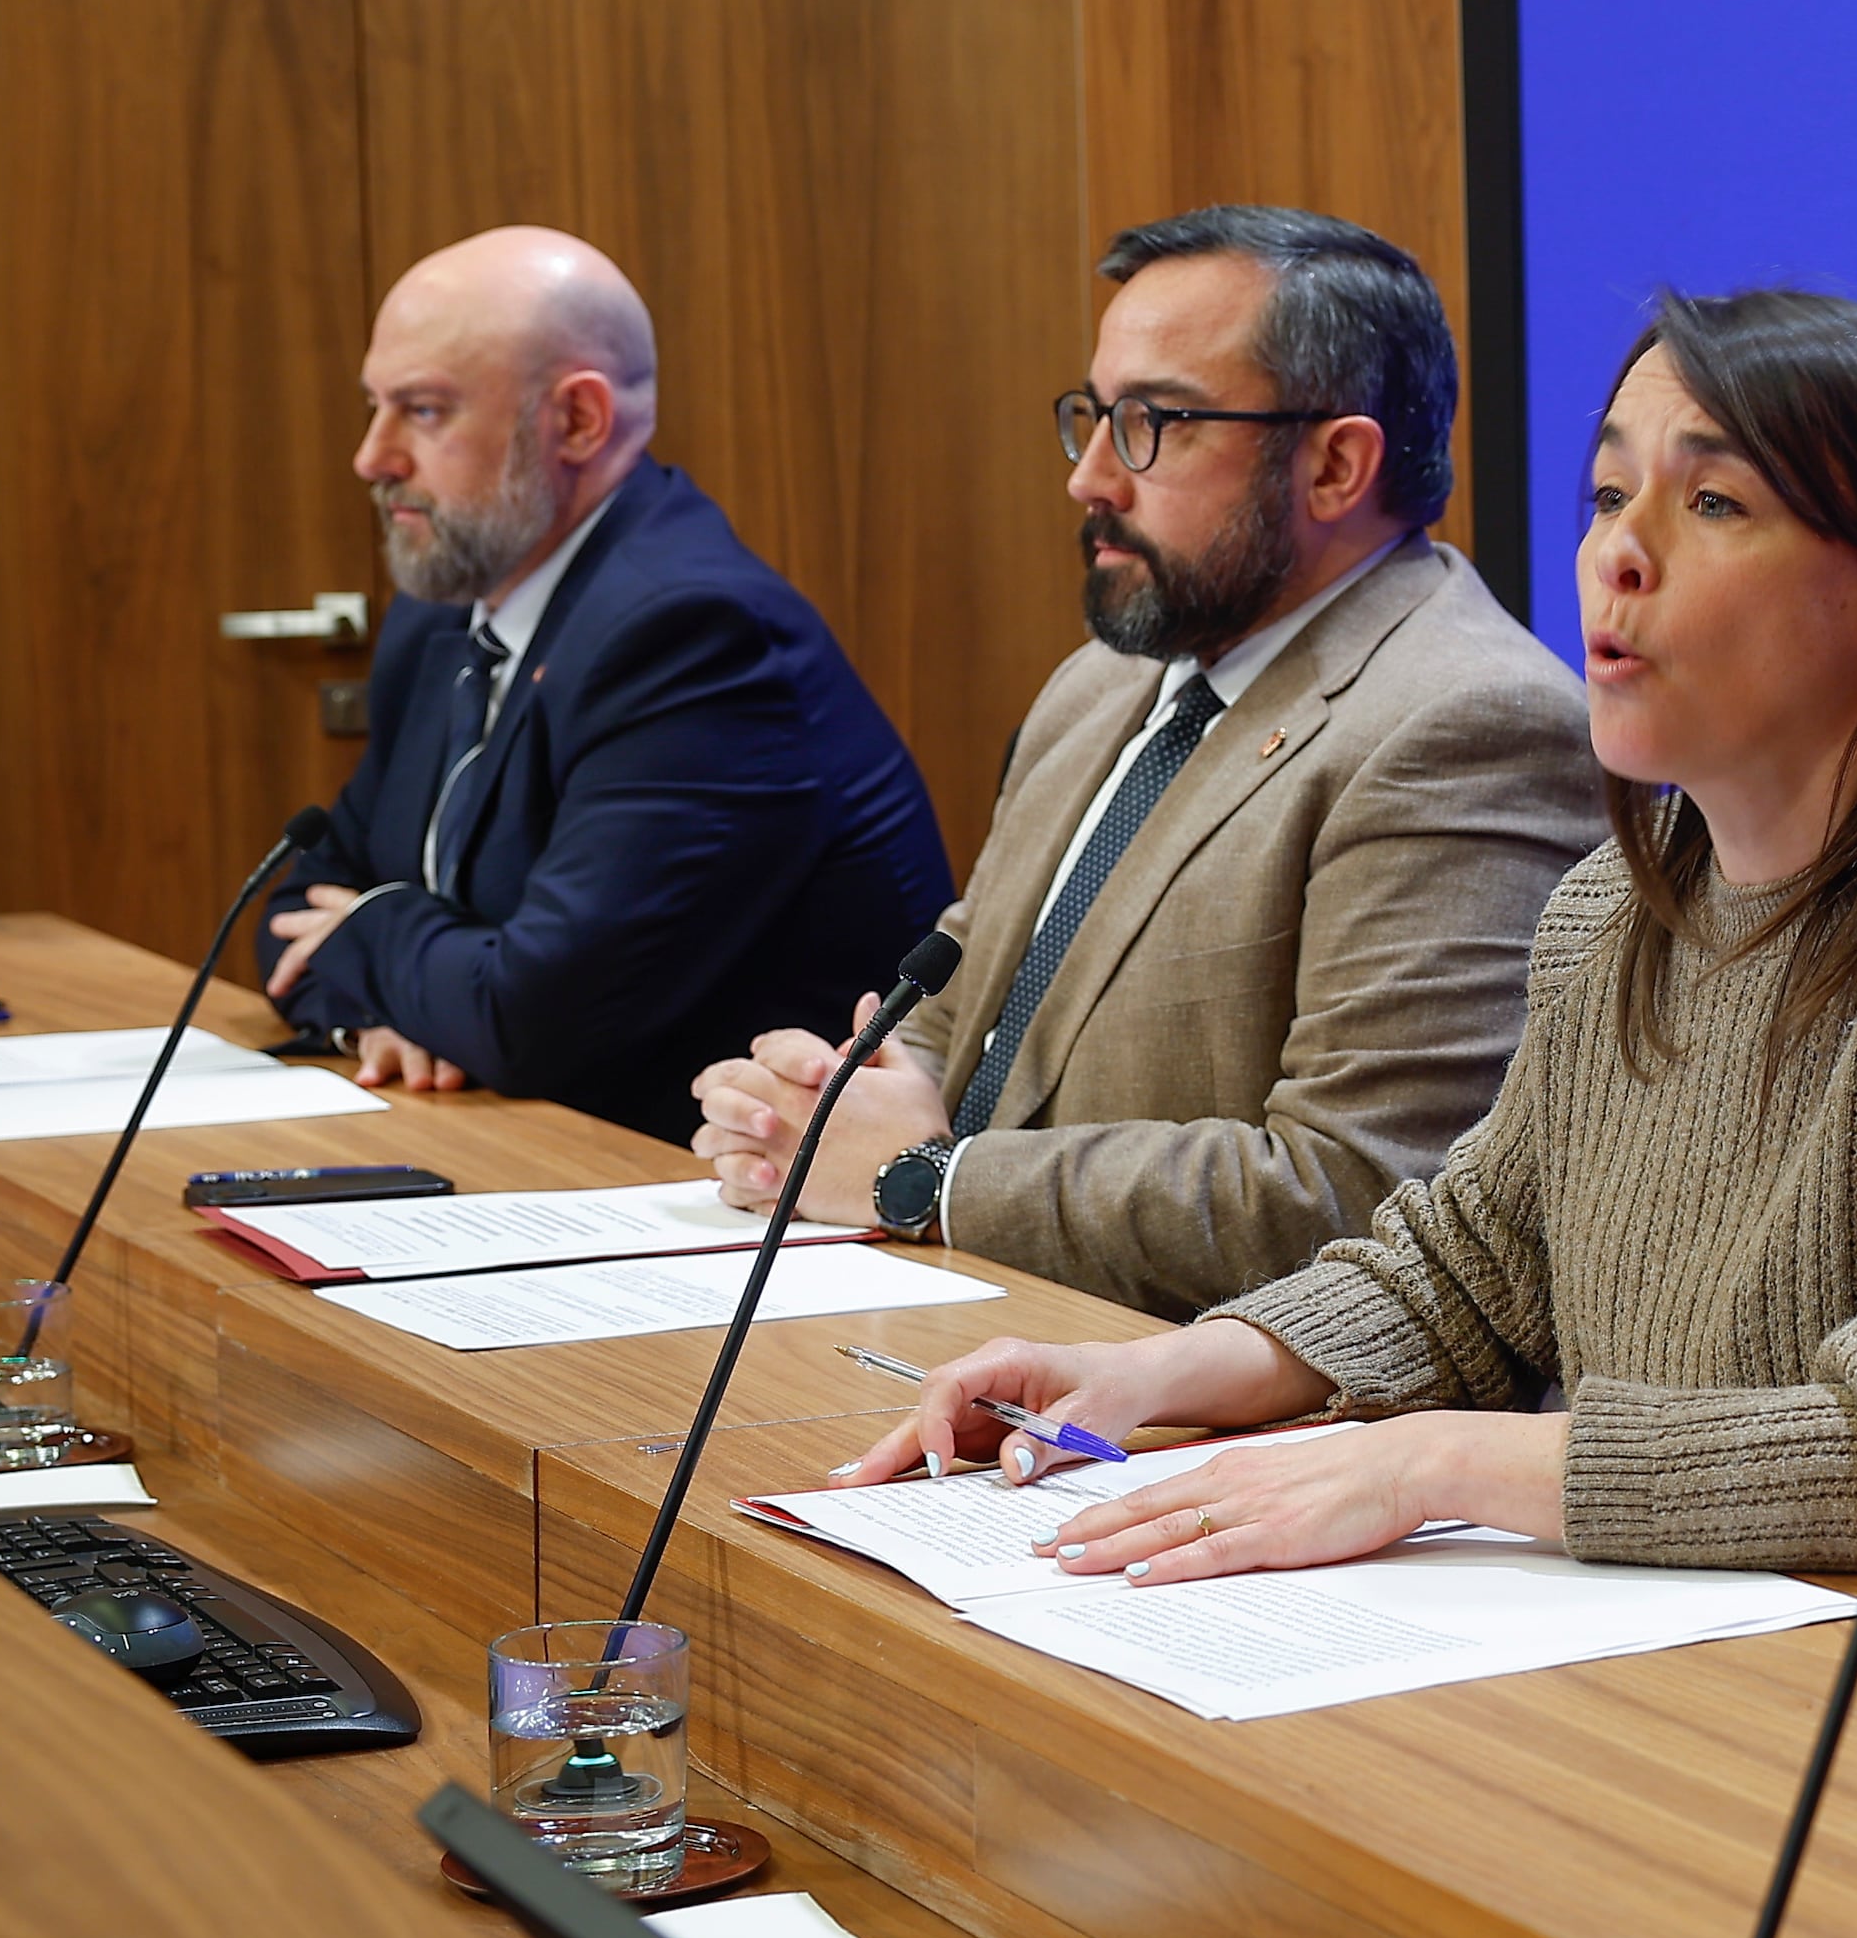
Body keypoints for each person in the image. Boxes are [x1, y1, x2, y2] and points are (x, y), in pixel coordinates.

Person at [845, 289, 1857, 1668]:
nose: (1618, 556)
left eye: (1711, 503)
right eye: (1608, 497)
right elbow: (1469, 1268)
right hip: (1700, 1648)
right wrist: (1170, 1373)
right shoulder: (1620, 905)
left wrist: (1425, 1461)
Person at [684, 210, 1596, 1312]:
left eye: (1154, 421)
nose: (1092, 479)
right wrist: (836, 1099)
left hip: (1221, 1427)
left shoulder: (1471, 724)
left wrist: (924, 1181)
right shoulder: (1105, 681)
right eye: (1093, 417)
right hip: (976, 1336)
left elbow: (1367, 1194)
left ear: (1335, 464)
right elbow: (966, 981)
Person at [266, 227, 952, 1144]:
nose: (372, 455)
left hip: (713, 1199)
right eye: (374, 406)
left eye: (423, 411)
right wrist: (378, 1016)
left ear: (578, 421)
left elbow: (530, 1018)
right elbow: (288, 907)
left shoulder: (694, 636)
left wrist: (370, 934)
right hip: (501, 1145)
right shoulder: (444, 613)